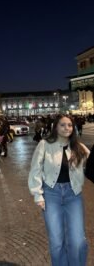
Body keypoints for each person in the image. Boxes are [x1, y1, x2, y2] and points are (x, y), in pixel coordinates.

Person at [28, 114, 90, 266]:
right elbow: (35, 169)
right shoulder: (44, 144)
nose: (66, 128)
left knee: (77, 240)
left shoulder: (78, 146)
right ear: (55, 127)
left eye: (69, 125)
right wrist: (38, 194)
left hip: (73, 194)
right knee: (56, 240)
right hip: (51, 194)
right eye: (62, 125)